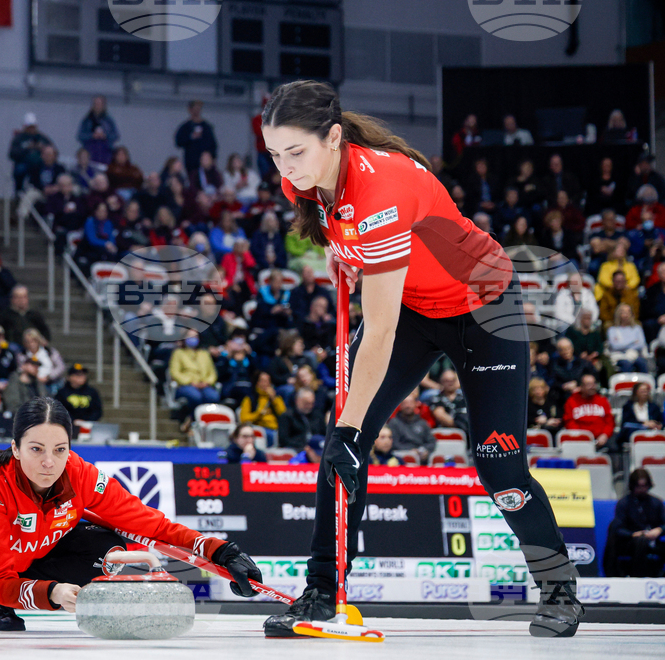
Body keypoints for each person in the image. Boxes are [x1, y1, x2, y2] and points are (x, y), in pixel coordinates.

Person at [260, 80, 582, 638]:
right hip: (415, 305)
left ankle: (559, 589)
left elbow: (378, 327)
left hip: (484, 306)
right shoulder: (308, 181)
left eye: (296, 152)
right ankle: (321, 592)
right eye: (274, 155)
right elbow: (355, 242)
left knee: (497, 461)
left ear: (334, 138)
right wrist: (346, 256)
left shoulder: (378, 188)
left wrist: (348, 422)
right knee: (346, 450)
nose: (285, 169)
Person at [0, 398, 262, 630]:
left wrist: (218, 550)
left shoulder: (79, 474)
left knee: (109, 550)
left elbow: (149, 524)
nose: (49, 463)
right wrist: (53, 594)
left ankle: (14, 596)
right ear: (15, 448)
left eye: (60, 450)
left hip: (31, 555)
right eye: (36, 449)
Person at [605, 469, 665, 578]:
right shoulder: (624, 503)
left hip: (652, 540)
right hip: (630, 542)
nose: (642, 489)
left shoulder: (656, 503)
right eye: (639, 486)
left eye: (645, 486)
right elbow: (617, 528)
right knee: (640, 541)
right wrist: (633, 534)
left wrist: (659, 530)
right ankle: (638, 576)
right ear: (633, 486)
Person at [169, 330, 220, 418]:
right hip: (186, 385)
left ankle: (205, 419)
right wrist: (190, 382)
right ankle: (192, 419)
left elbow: (212, 373)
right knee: (195, 397)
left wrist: (207, 382)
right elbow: (174, 372)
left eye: (195, 336)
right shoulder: (178, 353)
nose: (193, 339)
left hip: (204, 384)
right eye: (190, 336)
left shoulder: (205, 353)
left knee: (213, 396)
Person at [562, 373, 614, 450]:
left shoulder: (602, 401)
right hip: (580, 440)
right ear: (581, 387)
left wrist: (605, 435)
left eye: (594, 384)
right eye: (589, 384)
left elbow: (609, 422)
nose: (592, 387)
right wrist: (582, 437)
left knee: (614, 447)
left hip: (601, 439)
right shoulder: (571, 401)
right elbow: (569, 422)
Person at [55, 363, 103, 437]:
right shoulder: (62, 392)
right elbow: (59, 410)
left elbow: (97, 410)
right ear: (69, 377)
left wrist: (86, 421)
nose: (80, 377)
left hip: (89, 426)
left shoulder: (92, 392)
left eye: (82, 375)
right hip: (68, 427)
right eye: (77, 375)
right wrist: (72, 420)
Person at [387, 394, 436, 464]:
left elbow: (431, 441)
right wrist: (410, 451)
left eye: (410, 403)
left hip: (421, 457)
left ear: (416, 405)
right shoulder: (393, 423)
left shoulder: (422, 423)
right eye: (405, 403)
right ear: (400, 405)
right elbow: (393, 443)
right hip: (401, 457)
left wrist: (425, 450)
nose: (408, 406)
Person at [8, 113, 52, 193]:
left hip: (39, 165)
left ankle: (40, 190)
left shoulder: (41, 138)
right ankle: (19, 191)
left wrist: (41, 148)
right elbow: (12, 154)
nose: (31, 129)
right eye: (29, 127)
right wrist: (26, 148)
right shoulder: (19, 138)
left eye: (33, 127)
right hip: (24, 163)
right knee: (19, 170)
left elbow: (52, 150)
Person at [175, 100, 217, 181]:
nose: (197, 111)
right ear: (190, 110)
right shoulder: (185, 127)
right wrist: (191, 137)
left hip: (207, 165)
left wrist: (213, 158)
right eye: (195, 109)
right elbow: (178, 142)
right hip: (192, 163)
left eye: (199, 109)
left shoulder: (207, 127)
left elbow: (213, 145)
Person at [239, 370, 285, 443]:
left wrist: (274, 399)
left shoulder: (276, 398)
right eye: (263, 381)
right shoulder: (250, 399)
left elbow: (283, 414)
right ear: (257, 383)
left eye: (268, 381)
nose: (266, 384)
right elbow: (243, 418)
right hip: (258, 428)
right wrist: (258, 414)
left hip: (275, 429)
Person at [605, 303, 650, 373]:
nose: (626, 315)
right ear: (618, 314)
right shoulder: (612, 330)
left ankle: (644, 383)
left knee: (641, 363)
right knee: (626, 364)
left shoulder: (637, 328)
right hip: (619, 356)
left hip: (634, 354)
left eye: (628, 312)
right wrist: (632, 341)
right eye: (623, 312)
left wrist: (623, 345)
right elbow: (615, 346)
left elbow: (641, 344)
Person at [18, 328, 66, 392]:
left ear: (38, 340)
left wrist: (49, 377)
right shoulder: (22, 355)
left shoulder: (49, 352)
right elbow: (20, 369)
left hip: (51, 383)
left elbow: (61, 367)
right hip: (32, 384)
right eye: (28, 341)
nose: (31, 344)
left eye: (34, 341)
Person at [76, 95, 118, 166]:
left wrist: (105, 136)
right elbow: (80, 136)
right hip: (90, 154)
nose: (97, 106)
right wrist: (92, 136)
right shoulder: (86, 120)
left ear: (104, 105)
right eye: (96, 104)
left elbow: (115, 135)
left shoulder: (109, 121)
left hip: (106, 155)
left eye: (100, 104)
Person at [618, 382, 663, 448]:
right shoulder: (628, 407)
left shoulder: (654, 407)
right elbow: (626, 423)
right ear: (636, 392)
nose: (645, 393)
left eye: (646, 391)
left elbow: (660, 421)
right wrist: (644, 423)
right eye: (642, 391)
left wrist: (657, 424)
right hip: (633, 431)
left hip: (652, 432)